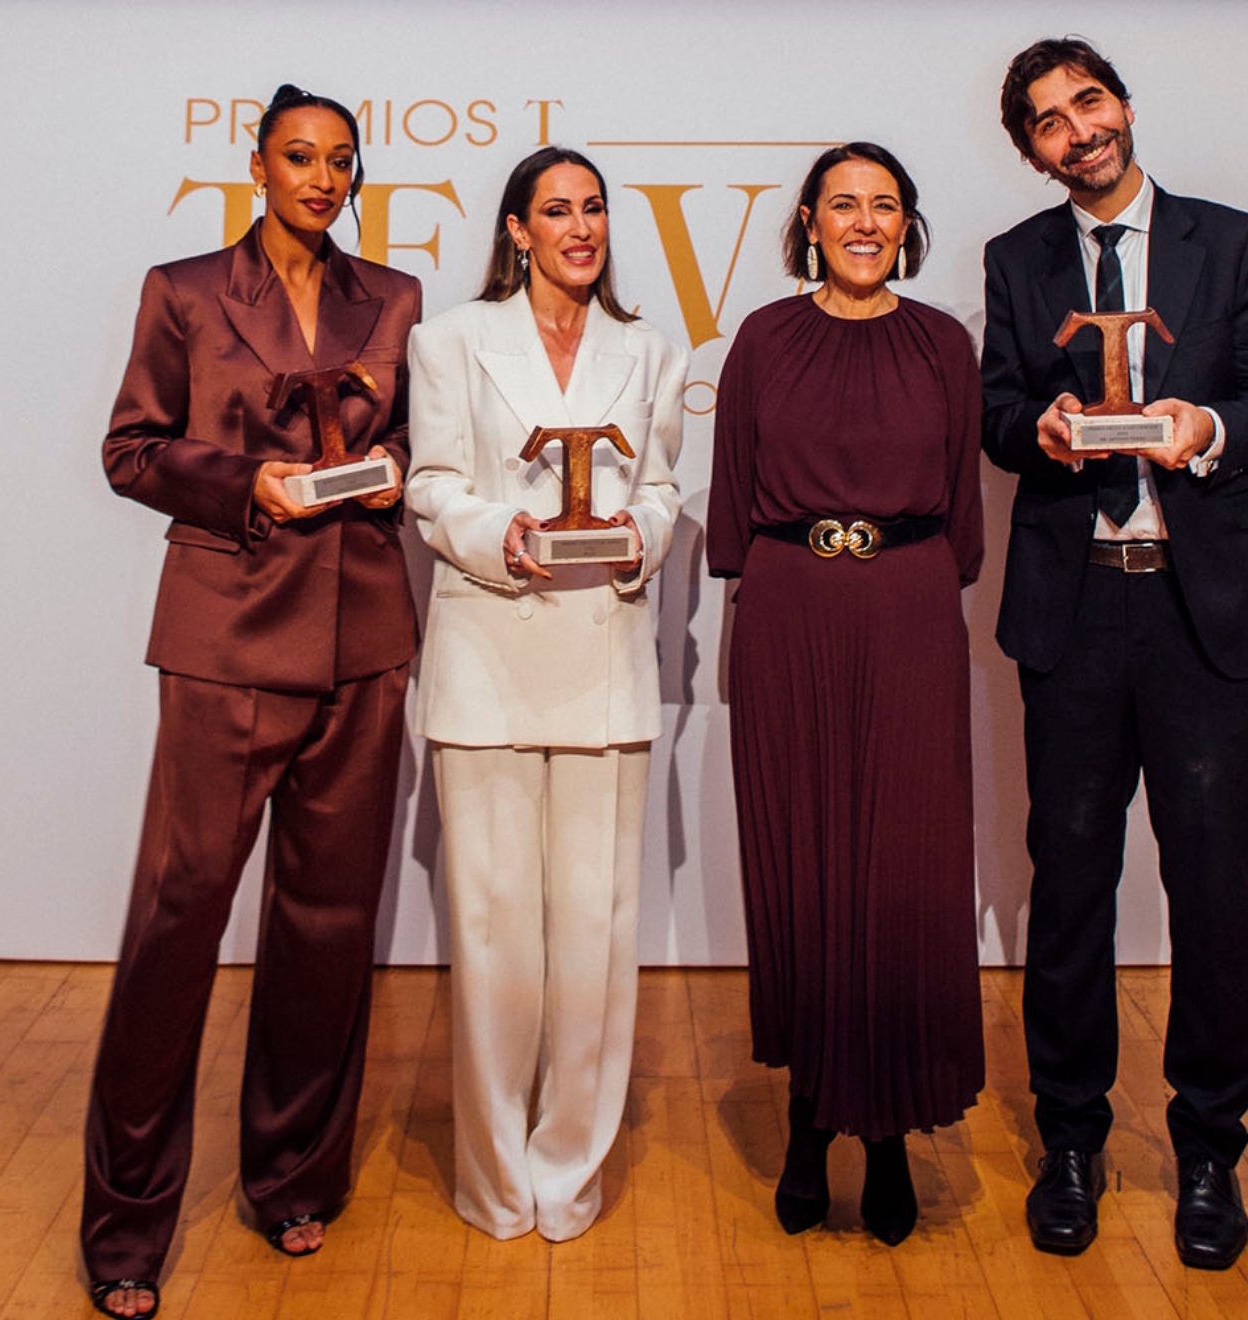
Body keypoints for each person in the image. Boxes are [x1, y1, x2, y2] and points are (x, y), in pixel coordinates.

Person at [82, 84, 422, 1318]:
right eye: (299, 157)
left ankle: (293, 1177)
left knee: (327, 930)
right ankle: (125, 1227)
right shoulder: (181, 289)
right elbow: (129, 451)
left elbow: (419, 450)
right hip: (227, 642)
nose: (322, 178)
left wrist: (394, 474)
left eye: (340, 161)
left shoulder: (395, 299)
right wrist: (249, 483)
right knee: (177, 927)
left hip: (366, 639)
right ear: (258, 164)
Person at [980, 37, 1248, 1271]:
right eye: (1051, 122)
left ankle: (1210, 1150)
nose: (1079, 131)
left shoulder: (1234, 240)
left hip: (1202, 611)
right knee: (1068, 887)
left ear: (1124, 107)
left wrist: (1207, 423)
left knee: (1216, 890)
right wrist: (1045, 431)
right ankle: (1071, 1139)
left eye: (1090, 103)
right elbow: (998, 413)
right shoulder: (1015, 259)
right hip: (1075, 613)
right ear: (1031, 150)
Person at [706, 142, 985, 1248]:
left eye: (884, 205)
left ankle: (885, 1135)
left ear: (906, 224)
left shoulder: (943, 343)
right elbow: (731, 498)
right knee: (807, 869)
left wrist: (920, 592)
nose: (863, 222)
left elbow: (964, 506)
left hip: (911, 607)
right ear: (809, 224)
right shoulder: (765, 339)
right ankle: (809, 1115)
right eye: (843, 204)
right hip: (787, 613)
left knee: (900, 874)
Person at [405, 146, 684, 1243]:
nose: (581, 226)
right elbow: (431, 487)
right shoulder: (450, 340)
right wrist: (497, 537)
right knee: (493, 937)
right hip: (486, 662)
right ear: (516, 229)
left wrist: (640, 541)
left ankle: (569, 1167)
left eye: (595, 209)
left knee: (597, 939)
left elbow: (657, 488)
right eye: (557, 210)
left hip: (605, 663)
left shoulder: (646, 348)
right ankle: (493, 1178)